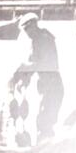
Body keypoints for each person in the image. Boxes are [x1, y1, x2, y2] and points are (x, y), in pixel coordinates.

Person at [11, 13, 63, 142]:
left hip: (53, 86)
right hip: (46, 86)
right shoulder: (36, 40)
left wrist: (21, 70)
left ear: (34, 25)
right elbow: (31, 64)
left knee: (45, 121)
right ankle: (44, 145)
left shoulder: (45, 39)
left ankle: (46, 148)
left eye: (27, 29)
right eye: (25, 30)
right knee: (43, 120)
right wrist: (22, 80)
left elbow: (41, 64)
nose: (27, 33)